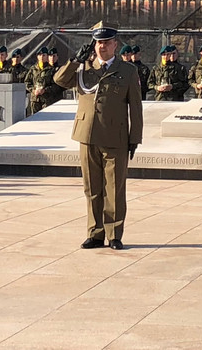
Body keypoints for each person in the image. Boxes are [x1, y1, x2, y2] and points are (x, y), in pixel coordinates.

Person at [53, 25, 143, 251]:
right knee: (92, 188)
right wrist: (74, 60)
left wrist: (135, 138)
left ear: (115, 45)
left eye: (107, 42)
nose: (102, 46)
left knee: (114, 188)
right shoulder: (84, 68)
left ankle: (114, 234)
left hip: (116, 137)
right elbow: (59, 80)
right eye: (98, 43)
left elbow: (136, 108)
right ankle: (95, 233)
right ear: (94, 45)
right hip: (87, 134)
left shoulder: (128, 71)